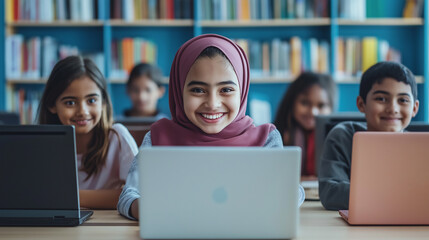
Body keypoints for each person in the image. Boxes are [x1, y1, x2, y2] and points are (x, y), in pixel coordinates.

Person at [117, 34, 305, 220]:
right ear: (179, 90)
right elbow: (128, 196)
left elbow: (293, 191)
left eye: (226, 90)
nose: (213, 103)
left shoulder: (266, 139)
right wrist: (151, 209)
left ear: (243, 90)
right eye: (198, 90)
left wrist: (280, 196)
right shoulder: (158, 138)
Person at [37, 56, 138, 209]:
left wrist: (70, 196)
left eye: (91, 101)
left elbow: (137, 194)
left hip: (106, 228)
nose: (83, 112)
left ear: (103, 102)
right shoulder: (41, 144)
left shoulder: (117, 137)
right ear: (52, 105)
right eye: (70, 102)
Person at [318, 61, 419, 210]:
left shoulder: (420, 148)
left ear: (414, 108)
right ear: (361, 104)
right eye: (381, 99)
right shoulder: (343, 137)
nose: (393, 109)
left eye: (403, 100)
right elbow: (331, 193)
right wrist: (396, 196)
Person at [274, 72, 336, 177]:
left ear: (331, 107)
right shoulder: (278, 136)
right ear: (292, 102)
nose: (313, 112)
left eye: (321, 105)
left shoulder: (334, 139)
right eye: (305, 103)